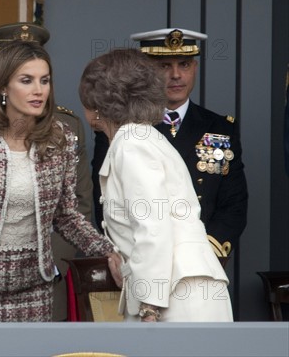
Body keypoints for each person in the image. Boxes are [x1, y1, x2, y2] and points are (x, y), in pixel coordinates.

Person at [0, 40, 117, 322]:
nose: (38, 90)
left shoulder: (61, 139)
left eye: (44, 80)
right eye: (26, 80)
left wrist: (108, 252)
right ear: (3, 87)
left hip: (35, 290)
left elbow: (67, 216)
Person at [80, 48, 233, 322]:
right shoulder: (145, 137)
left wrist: (149, 305)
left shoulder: (130, 144)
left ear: (98, 103)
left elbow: (154, 226)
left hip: (174, 301)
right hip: (182, 292)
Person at [92, 28, 248, 252]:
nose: (176, 75)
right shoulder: (118, 127)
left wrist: (205, 251)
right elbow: (105, 201)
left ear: (195, 68)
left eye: (184, 64)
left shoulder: (221, 128)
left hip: (203, 257)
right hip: (143, 257)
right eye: (164, 66)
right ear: (145, 72)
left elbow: (234, 203)